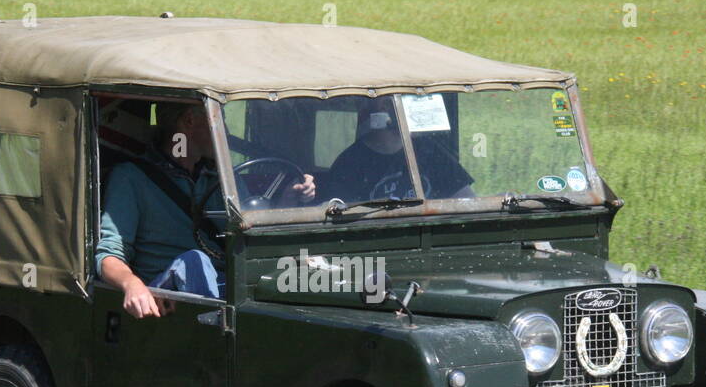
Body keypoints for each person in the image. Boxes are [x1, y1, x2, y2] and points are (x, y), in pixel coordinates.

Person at [96, 102, 314, 318]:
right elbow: (109, 255)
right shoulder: (131, 178)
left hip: (225, 284)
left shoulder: (223, 177)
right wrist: (131, 284)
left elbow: (247, 231)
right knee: (194, 261)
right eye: (220, 121)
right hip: (167, 296)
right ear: (189, 121)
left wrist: (289, 199)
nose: (226, 133)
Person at [323, 96, 474, 202]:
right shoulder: (349, 164)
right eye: (410, 102)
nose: (419, 111)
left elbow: (467, 200)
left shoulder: (430, 151)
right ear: (385, 106)